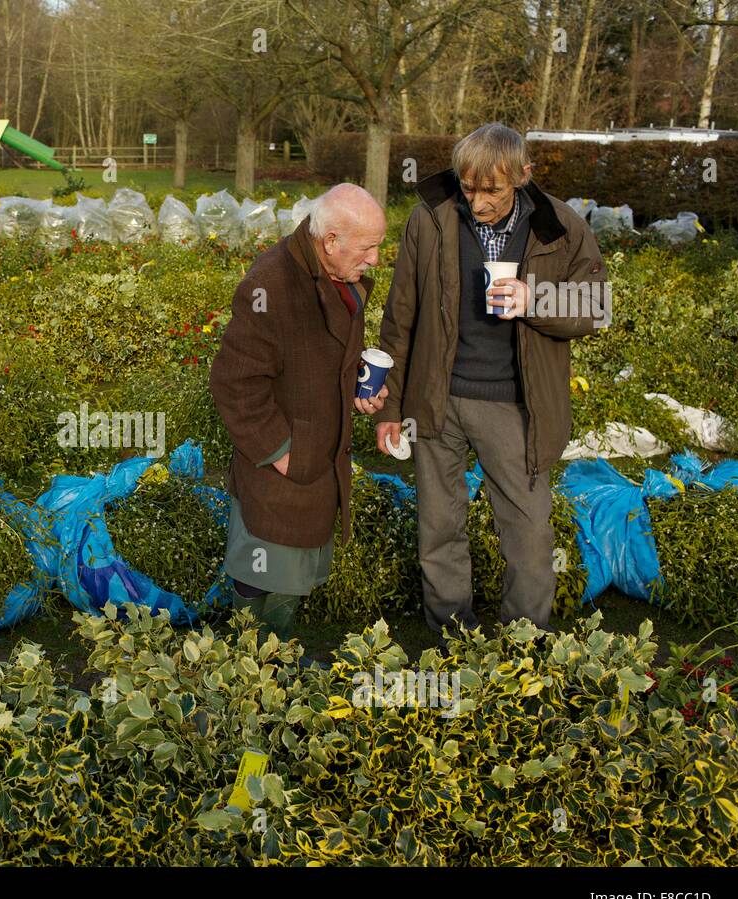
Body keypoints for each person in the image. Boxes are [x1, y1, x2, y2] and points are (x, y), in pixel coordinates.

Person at [376, 122, 609, 635]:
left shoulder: (561, 226)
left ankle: (522, 648)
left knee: (528, 536)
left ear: (523, 176)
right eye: (468, 187)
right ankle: (452, 638)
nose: (477, 201)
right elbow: (400, 318)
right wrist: (390, 406)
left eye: (492, 190)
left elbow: (597, 305)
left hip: (514, 407)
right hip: (436, 401)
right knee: (439, 530)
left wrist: (534, 300)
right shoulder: (430, 219)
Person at [210, 183, 389, 637]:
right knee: (263, 560)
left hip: (316, 456)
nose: (374, 260)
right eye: (368, 248)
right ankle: (246, 665)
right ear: (330, 241)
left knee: (295, 568)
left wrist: (355, 390)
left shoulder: (337, 278)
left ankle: (271, 662)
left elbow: (319, 359)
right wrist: (279, 451)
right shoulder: (270, 284)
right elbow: (235, 381)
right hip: (284, 458)